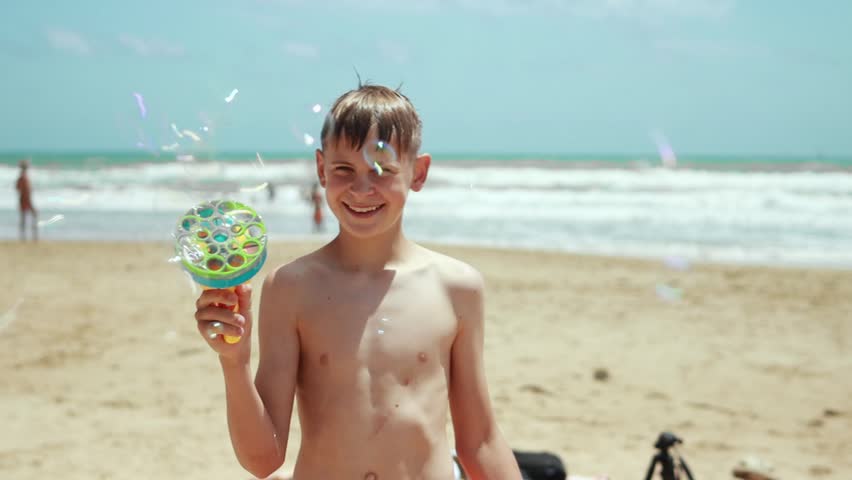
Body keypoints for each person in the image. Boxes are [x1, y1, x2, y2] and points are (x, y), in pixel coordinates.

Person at [193, 84, 522, 479]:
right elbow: (263, 460)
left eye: (381, 171)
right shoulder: (290, 288)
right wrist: (235, 362)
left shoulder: (457, 288)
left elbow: (480, 442)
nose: (361, 189)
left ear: (418, 172)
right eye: (343, 170)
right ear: (320, 170)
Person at [15, 159, 37, 242]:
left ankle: (24, 237)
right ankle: (33, 236)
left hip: (22, 199)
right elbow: (25, 190)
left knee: (23, 218)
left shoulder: (21, 177)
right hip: (26, 199)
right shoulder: (24, 178)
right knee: (33, 216)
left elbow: (17, 188)